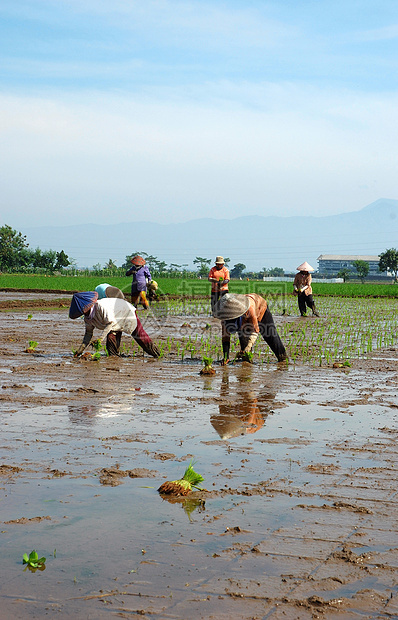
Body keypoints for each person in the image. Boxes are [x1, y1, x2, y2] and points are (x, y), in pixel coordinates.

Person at [69, 291, 160, 358]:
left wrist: (100, 339)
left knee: (139, 335)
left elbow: (109, 324)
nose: (83, 313)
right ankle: (114, 358)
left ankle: (157, 353)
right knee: (111, 338)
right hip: (114, 317)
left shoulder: (101, 307)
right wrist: (80, 350)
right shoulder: (88, 318)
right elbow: (88, 334)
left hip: (124, 310)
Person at [212, 293, 287, 364]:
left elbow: (255, 330)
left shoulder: (250, 310)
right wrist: (226, 357)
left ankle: (283, 358)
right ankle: (246, 362)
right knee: (243, 339)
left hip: (260, 309)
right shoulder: (225, 317)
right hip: (243, 316)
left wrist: (249, 346)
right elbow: (225, 338)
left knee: (271, 336)